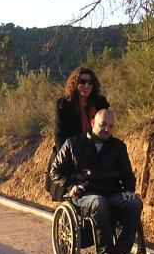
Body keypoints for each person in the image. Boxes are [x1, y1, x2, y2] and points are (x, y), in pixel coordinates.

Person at [49, 109, 145, 254]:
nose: (107, 129)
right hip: (84, 194)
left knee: (134, 203)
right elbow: (55, 171)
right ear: (93, 123)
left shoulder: (118, 147)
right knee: (99, 202)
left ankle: (120, 253)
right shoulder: (73, 144)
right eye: (103, 125)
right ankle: (105, 253)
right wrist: (71, 185)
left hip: (112, 193)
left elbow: (127, 174)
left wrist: (129, 190)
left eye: (111, 126)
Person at [48, 67, 111, 201]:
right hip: (73, 150)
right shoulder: (64, 105)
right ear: (75, 84)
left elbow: (107, 126)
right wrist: (66, 156)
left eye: (89, 83)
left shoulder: (100, 103)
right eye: (82, 82)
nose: (86, 86)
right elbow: (60, 134)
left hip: (96, 148)